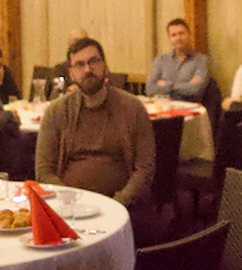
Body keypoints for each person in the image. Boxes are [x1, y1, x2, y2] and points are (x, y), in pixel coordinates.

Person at [35, 38, 159, 241]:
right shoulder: (57, 112)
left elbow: (145, 168)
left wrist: (118, 202)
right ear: (71, 73)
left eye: (94, 61)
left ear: (105, 67)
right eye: (80, 65)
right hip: (69, 210)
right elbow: (43, 171)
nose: (88, 69)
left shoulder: (132, 108)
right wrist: (71, 203)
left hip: (123, 207)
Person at [145, 18, 212, 101]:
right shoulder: (160, 60)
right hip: (163, 108)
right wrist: (186, 85)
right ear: (169, 38)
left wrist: (166, 84)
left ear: (189, 34)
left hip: (189, 110)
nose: (178, 38)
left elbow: (196, 89)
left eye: (181, 33)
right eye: (174, 35)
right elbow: (149, 89)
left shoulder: (201, 61)